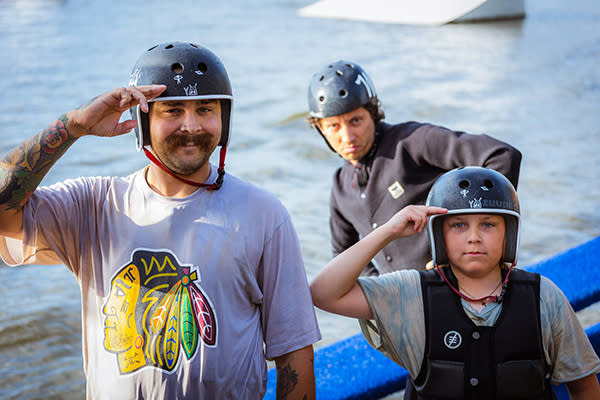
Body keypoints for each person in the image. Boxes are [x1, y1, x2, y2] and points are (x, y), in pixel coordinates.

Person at [0, 42, 321, 399]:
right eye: (172, 111)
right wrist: (74, 126)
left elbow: (294, 352)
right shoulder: (93, 206)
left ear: (224, 119)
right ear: (143, 120)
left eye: (205, 109)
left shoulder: (264, 213)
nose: (192, 125)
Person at [310, 167, 600, 399]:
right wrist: (388, 232)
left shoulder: (543, 297)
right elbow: (324, 293)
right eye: (459, 225)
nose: (474, 237)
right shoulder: (411, 295)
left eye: (488, 224)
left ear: (508, 233)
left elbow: (584, 387)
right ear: (440, 236)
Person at [307, 60, 523, 275]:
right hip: (404, 301)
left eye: (356, 121)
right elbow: (344, 253)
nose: (347, 136)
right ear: (321, 130)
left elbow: (502, 156)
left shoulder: (411, 142)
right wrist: (378, 291)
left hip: (460, 287)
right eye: (333, 126)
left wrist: (465, 241)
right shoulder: (340, 187)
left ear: (372, 113)